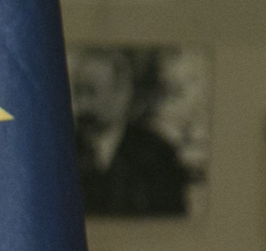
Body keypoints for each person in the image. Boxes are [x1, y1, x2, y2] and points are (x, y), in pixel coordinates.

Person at [71, 46, 189, 217]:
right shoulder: (62, 152)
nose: (82, 105)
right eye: (77, 92)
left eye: (91, 92)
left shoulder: (158, 155)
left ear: (122, 94)